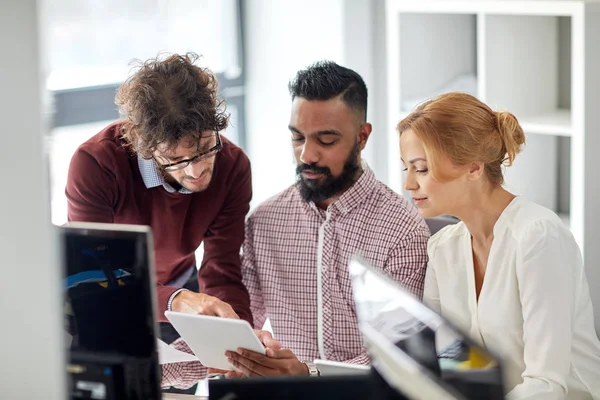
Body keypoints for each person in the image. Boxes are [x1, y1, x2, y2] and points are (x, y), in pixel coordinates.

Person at [223, 61, 430, 378]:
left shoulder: (403, 228)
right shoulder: (265, 221)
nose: (307, 155)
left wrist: (310, 376)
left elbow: (400, 355)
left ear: (362, 137)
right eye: (297, 138)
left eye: (326, 140)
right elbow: (239, 325)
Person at [399, 92, 600, 399]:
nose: (409, 184)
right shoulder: (443, 248)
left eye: (422, 169)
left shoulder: (537, 237)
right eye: (406, 168)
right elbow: (448, 362)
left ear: (474, 168)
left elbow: (547, 385)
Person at [65, 53, 254, 343]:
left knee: (180, 382)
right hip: (106, 291)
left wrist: (240, 339)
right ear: (143, 143)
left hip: (179, 286)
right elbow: (95, 271)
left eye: (206, 147)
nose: (196, 171)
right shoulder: (95, 164)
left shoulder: (233, 167)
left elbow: (222, 269)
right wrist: (175, 301)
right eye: (176, 158)